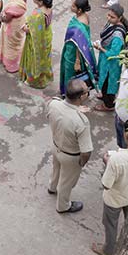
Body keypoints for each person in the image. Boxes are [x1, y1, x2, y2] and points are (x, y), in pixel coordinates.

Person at [91, 118, 128, 255]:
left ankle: (108, 251)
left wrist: (108, 162)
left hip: (114, 199)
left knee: (111, 225)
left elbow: (106, 185)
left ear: (126, 135)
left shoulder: (116, 159)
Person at [46, 78, 93, 214]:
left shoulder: (53, 104)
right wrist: (81, 163)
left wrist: (76, 109)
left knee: (56, 169)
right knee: (66, 182)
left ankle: (52, 187)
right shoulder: (81, 122)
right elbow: (86, 151)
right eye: (86, 90)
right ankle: (63, 205)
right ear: (82, 96)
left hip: (56, 146)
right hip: (71, 156)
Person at [92, 2, 128, 114]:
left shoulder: (117, 35)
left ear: (120, 18)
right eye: (108, 15)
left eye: (112, 17)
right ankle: (104, 95)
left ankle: (108, 105)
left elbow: (114, 53)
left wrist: (100, 48)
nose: (109, 18)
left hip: (111, 64)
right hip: (106, 60)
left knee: (108, 83)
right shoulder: (111, 24)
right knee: (104, 80)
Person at [59, 0, 96, 96]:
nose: (71, 7)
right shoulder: (86, 16)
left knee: (70, 73)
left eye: (73, 6)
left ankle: (69, 95)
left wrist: (77, 61)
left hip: (74, 55)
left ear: (79, 10)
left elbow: (78, 45)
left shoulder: (78, 26)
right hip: (81, 51)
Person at [0, 0, 27, 72]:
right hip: (20, 23)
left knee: (11, 46)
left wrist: (1, 18)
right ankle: (16, 61)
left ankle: (11, 65)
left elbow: (7, 19)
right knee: (16, 44)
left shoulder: (14, 5)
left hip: (13, 27)